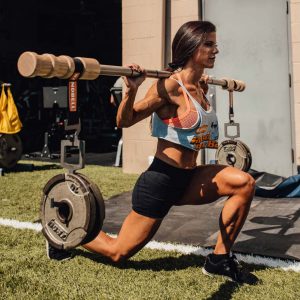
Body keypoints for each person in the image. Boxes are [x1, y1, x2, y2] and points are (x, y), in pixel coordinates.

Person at [48, 21, 255, 284]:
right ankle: (65, 230)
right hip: (161, 181)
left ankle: (219, 259)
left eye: (215, 43)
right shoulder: (169, 87)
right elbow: (125, 121)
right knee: (117, 252)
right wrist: (132, 90)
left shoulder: (201, 87)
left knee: (244, 184)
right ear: (191, 48)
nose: (216, 50)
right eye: (209, 44)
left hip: (189, 178)